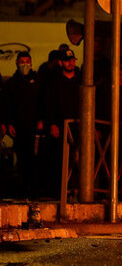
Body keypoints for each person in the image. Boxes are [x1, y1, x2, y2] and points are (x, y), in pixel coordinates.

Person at [0, 51, 42, 197]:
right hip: (18, 127)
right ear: (17, 63)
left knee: (34, 158)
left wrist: (41, 120)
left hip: (34, 126)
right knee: (21, 157)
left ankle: (34, 188)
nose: (25, 64)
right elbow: (6, 105)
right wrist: (8, 123)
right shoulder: (12, 83)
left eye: (27, 61)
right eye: (22, 61)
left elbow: (43, 102)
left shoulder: (37, 80)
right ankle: (22, 188)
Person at [42, 49, 81, 197]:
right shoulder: (54, 82)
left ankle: (74, 190)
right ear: (60, 62)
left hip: (77, 127)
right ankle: (58, 191)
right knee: (58, 159)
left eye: (72, 60)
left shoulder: (81, 80)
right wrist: (52, 124)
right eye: (67, 60)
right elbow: (48, 104)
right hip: (60, 126)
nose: (71, 63)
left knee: (77, 159)